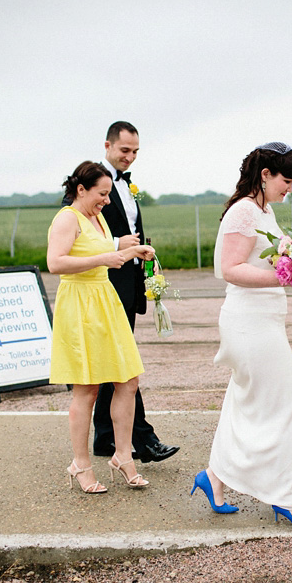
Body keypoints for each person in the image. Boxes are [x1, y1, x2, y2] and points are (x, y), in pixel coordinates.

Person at [190, 142, 292, 529]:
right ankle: (287, 498)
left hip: (264, 321)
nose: (290, 189)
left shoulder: (263, 210)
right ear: (265, 175)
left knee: (243, 403)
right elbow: (230, 269)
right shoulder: (243, 211)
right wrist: (288, 277)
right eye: (286, 181)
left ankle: (213, 479)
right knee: (290, 402)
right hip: (248, 323)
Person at [48, 161, 156, 493]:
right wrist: (102, 260)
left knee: (128, 380)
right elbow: (55, 263)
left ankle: (122, 456)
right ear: (81, 190)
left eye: (109, 194)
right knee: (87, 389)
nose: (107, 201)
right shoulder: (67, 218)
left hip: (104, 301)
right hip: (80, 305)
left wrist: (132, 249)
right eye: (102, 194)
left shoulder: (97, 217)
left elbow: (105, 250)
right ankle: (80, 463)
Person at [74, 121, 179, 464]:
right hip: (103, 285)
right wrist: (117, 244)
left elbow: (134, 231)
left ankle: (106, 438)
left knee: (114, 365)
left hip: (129, 282)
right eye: (124, 150)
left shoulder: (128, 186)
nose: (130, 157)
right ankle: (144, 439)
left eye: (135, 152)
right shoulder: (90, 183)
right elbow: (77, 228)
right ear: (107, 145)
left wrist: (145, 265)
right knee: (124, 366)